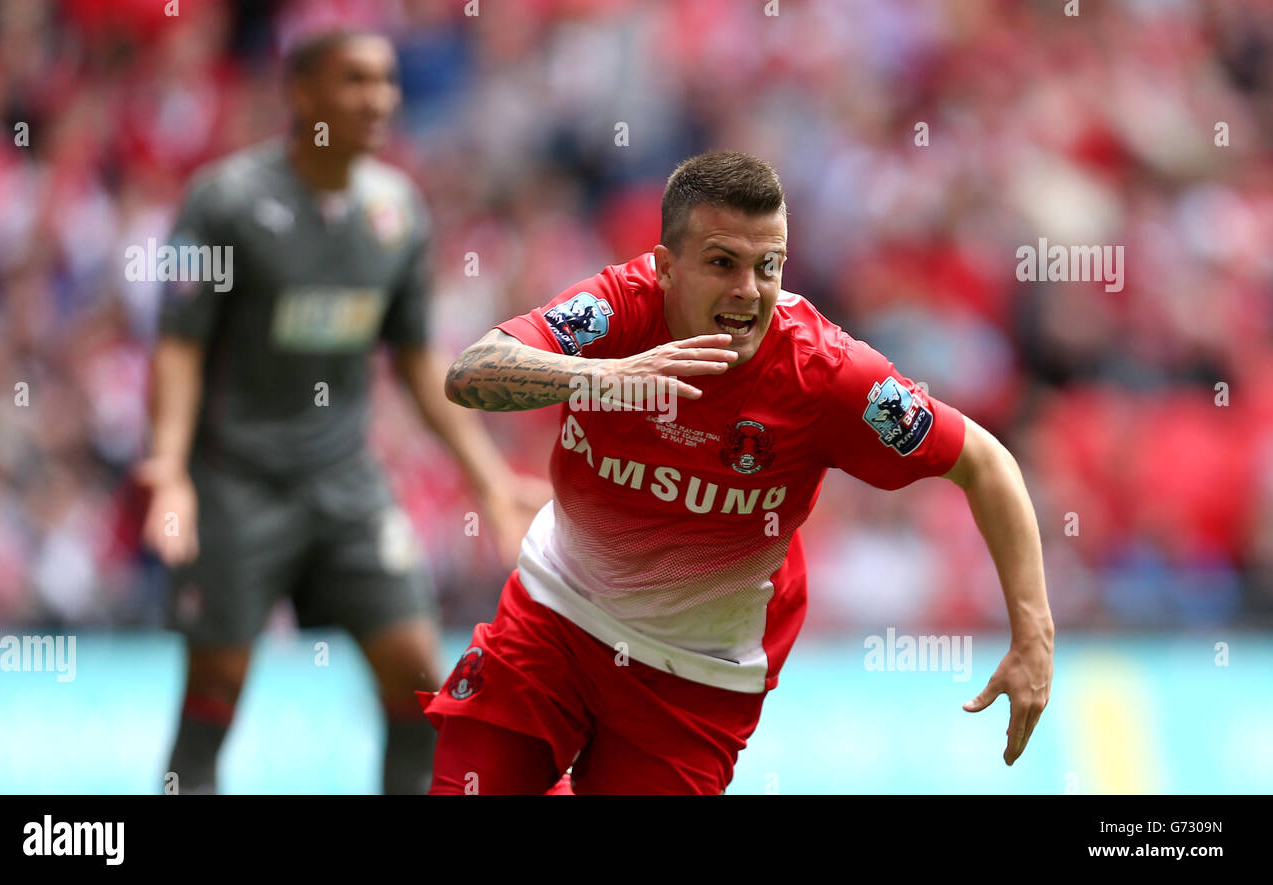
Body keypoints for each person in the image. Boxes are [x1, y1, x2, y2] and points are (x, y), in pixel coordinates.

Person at [421, 151, 1055, 795]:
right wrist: (603, 374)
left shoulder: (829, 374)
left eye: (768, 266)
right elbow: (470, 372)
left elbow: (986, 463)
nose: (749, 289)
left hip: (693, 681)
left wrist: (1034, 635)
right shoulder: (615, 309)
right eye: (723, 263)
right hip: (553, 618)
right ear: (666, 269)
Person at [137, 29, 543, 795]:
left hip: (343, 479)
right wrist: (170, 469)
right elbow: (180, 348)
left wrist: (489, 479)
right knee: (216, 685)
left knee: (420, 674)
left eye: (387, 81)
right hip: (235, 477)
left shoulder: (396, 213)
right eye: (355, 80)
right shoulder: (224, 202)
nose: (379, 98)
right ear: (302, 94)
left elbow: (419, 363)